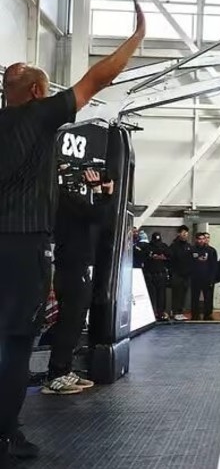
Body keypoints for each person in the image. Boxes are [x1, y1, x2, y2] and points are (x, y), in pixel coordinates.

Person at [0, 0, 144, 467]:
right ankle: (5, 433)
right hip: (22, 243)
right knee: (17, 339)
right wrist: (136, 38)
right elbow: (99, 78)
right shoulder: (39, 116)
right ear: (39, 91)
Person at [42, 169, 115, 395]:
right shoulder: (65, 199)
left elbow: (94, 219)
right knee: (70, 321)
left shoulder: (68, 200)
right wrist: (103, 193)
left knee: (74, 321)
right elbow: (99, 217)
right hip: (72, 267)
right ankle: (56, 373)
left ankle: (64, 369)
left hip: (75, 266)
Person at [145, 232, 171, 321]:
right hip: (151, 274)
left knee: (161, 295)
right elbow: (146, 257)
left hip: (160, 274)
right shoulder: (148, 246)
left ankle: (160, 313)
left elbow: (169, 256)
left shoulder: (164, 246)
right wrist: (155, 256)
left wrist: (161, 256)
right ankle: (152, 313)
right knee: (152, 295)